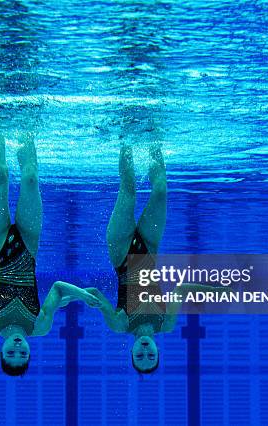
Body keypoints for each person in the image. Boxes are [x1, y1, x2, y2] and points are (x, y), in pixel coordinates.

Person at [0, 132, 100, 376]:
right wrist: (81, 294)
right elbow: (58, 289)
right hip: (29, 245)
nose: (17, 348)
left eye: (11, 353)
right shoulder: (39, 327)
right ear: (30, 351)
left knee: (0, 176)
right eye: (23, 354)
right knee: (30, 179)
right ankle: (27, 128)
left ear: (1, 351)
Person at [86, 142, 173, 374]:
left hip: (122, 252)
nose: (145, 351)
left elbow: (94, 295)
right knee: (161, 189)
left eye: (140, 356)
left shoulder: (120, 325)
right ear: (157, 351)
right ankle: (153, 138)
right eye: (150, 356)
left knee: (128, 191)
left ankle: (125, 138)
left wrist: (75, 296)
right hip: (149, 249)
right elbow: (183, 289)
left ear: (132, 351)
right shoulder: (166, 323)